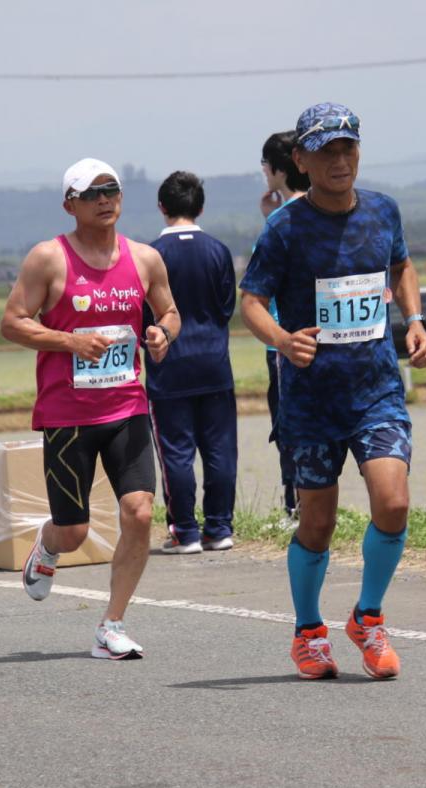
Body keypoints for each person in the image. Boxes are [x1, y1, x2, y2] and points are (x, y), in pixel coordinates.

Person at [239, 103, 426, 681]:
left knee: (393, 502)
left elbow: (400, 267)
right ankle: (308, 630)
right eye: (326, 150)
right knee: (318, 523)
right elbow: (249, 301)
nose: (339, 159)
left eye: (348, 148)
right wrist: (281, 340)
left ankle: (368, 617)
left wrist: (416, 319)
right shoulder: (284, 228)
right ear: (301, 159)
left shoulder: (382, 210)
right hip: (311, 400)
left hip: (376, 390)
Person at [0, 157, 180, 660]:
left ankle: (112, 624)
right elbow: (13, 322)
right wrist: (68, 342)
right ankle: (49, 543)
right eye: (92, 192)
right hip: (68, 415)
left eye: (112, 189)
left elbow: (169, 310)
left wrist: (162, 333)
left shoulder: (144, 258)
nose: (105, 199)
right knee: (75, 531)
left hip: (127, 406)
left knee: (139, 513)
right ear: (69, 204)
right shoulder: (48, 258)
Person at [144, 171, 238, 555]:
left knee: (176, 451)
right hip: (215, 363)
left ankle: (185, 531)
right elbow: (226, 306)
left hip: (169, 366)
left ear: (162, 207)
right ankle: (219, 528)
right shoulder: (218, 250)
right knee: (220, 450)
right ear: (200, 206)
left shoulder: (150, 255)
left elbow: (142, 316)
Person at [258, 131, 311, 523]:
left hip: (282, 340)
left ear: (278, 169)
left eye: (265, 166)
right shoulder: (317, 210)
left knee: (287, 422)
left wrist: (268, 219)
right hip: (321, 336)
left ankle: (295, 505)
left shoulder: (280, 220)